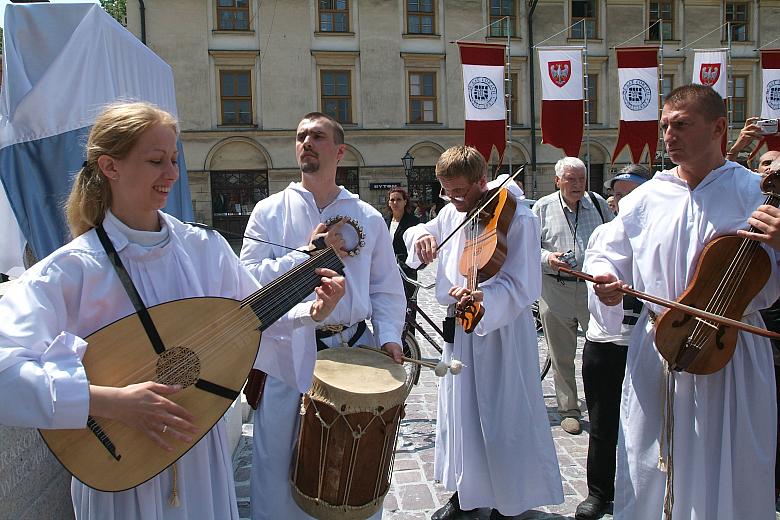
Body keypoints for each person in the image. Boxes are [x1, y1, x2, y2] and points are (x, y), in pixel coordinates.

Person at [0, 102, 345, 520]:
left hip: (200, 452)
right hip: (121, 470)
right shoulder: (70, 270)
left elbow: (248, 318)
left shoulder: (203, 248)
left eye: (174, 160)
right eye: (155, 160)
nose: (172, 174)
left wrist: (312, 311)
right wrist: (109, 401)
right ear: (110, 167)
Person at [585, 84, 780, 519]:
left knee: (731, 463)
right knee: (650, 463)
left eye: (682, 125)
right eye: (665, 126)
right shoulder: (645, 197)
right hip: (661, 345)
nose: (669, 135)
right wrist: (606, 280)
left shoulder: (756, 192)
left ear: (718, 129)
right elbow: (604, 251)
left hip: (732, 350)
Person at [240, 112, 406, 520]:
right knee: (278, 462)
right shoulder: (269, 210)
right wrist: (304, 256)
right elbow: (245, 283)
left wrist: (389, 338)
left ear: (339, 150)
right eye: (300, 137)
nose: (306, 143)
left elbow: (385, 286)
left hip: (353, 349)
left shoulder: (366, 215)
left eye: (317, 136)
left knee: (349, 464)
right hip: (285, 352)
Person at [405, 146, 563, 520]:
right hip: (460, 330)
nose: (454, 199)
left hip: (501, 333)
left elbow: (524, 285)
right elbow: (420, 229)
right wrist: (420, 237)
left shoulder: (518, 218)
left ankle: (508, 504)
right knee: (461, 416)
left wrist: (485, 296)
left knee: (502, 417)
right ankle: (467, 495)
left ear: (482, 180)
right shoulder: (452, 211)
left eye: (461, 191)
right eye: (447, 191)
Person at [575, 164, 649, 520]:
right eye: (618, 195)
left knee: (650, 423)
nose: (623, 201)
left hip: (650, 343)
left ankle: (650, 489)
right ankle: (599, 492)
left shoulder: (661, 232)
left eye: (632, 193)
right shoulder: (603, 233)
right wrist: (604, 285)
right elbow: (597, 270)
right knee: (602, 423)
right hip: (605, 341)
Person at [532, 156, 613, 435]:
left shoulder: (599, 204)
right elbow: (528, 248)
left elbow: (614, 240)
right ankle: (569, 409)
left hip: (592, 289)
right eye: (571, 179)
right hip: (555, 288)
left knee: (600, 352)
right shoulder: (542, 208)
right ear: (558, 181)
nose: (577, 184)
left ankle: (603, 405)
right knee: (561, 354)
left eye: (581, 178)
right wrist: (548, 258)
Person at [385, 186, 420, 300]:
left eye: (399, 199)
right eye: (392, 200)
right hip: (387, 270)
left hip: (406, 270)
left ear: (405, 201)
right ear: (389, 203)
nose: (395, 203)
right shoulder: (384, 221)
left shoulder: (413, 222)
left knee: (408, 303)